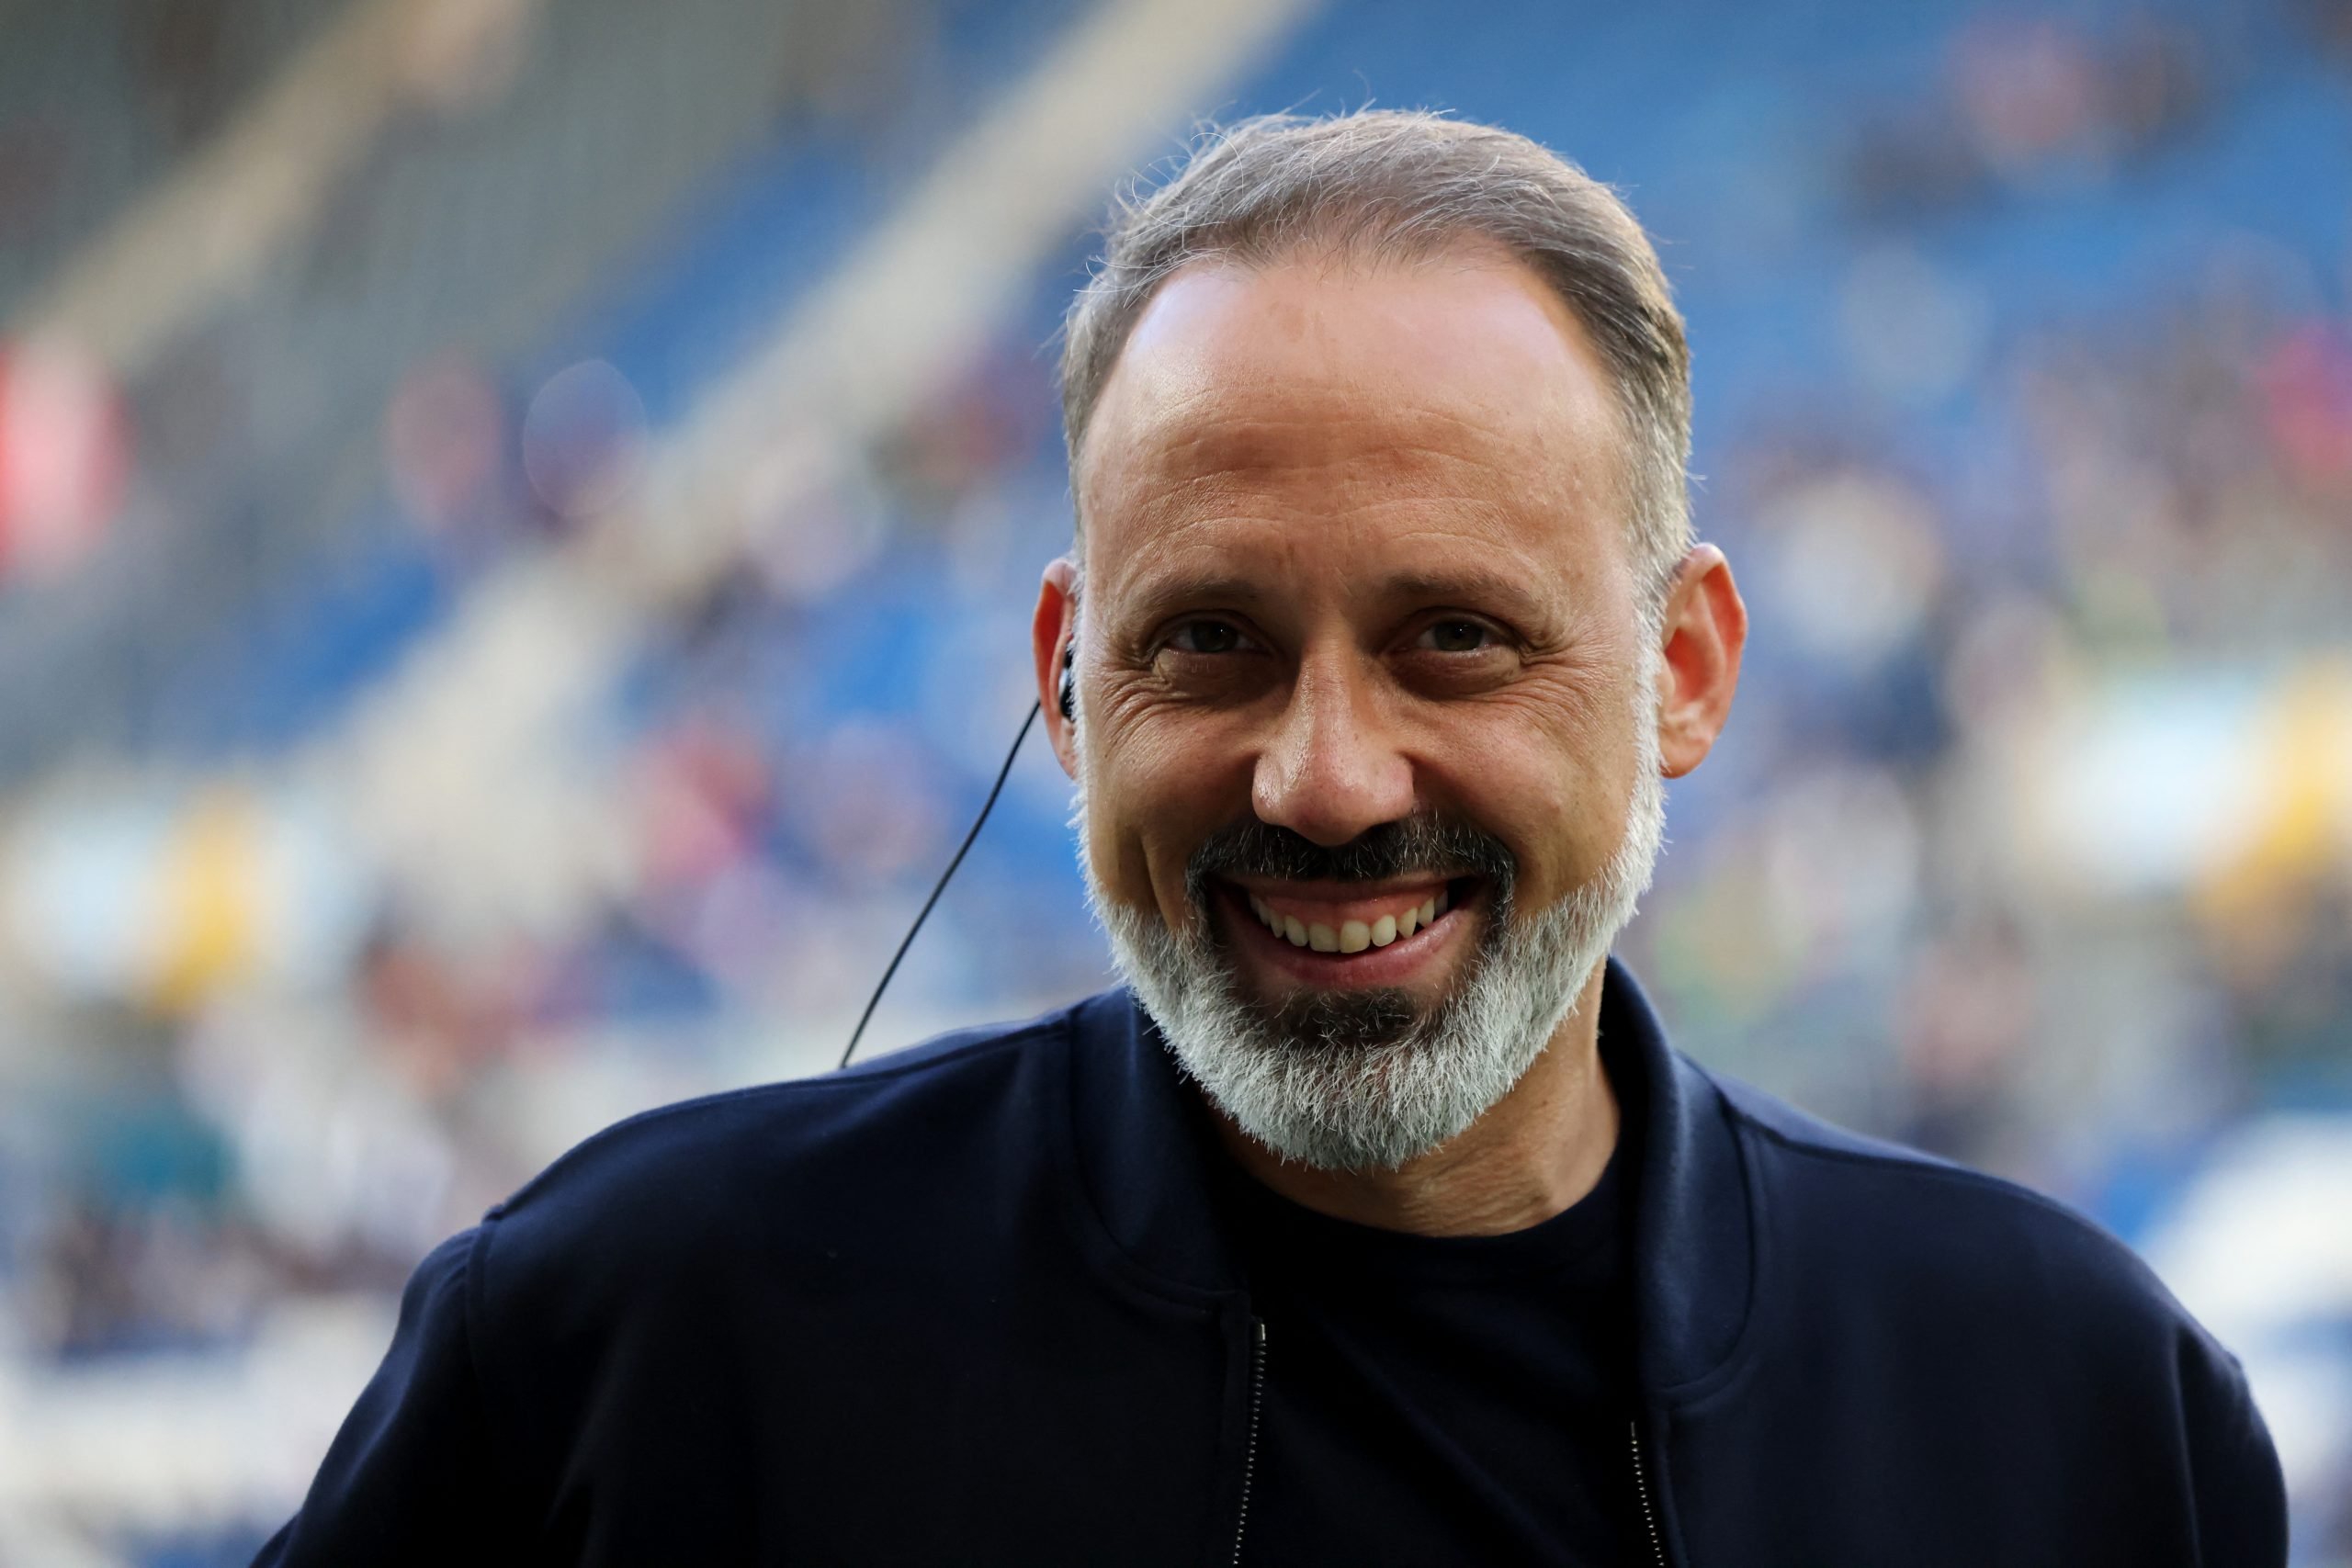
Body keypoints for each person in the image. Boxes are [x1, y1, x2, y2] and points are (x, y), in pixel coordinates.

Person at [256, 110, 2286, 1567]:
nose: (1324, 779)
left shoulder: (2071, 1409)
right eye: (1208, 643)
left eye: (1453, 640)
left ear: (1680, 669)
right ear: (1068, 684)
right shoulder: (627, 1354)